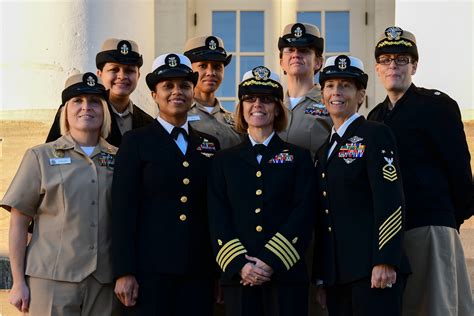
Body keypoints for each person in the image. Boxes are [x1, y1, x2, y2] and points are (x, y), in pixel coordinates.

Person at [368, 26, 473, 316]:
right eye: (386, 59)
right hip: (391, 237)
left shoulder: (437, 106)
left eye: (402, 59)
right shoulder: (375, 118)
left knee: (437, 308)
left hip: (430, 225)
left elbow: (460, 173)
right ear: (377, 68)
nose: (393, 66)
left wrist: (447, 220)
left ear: (414, 65)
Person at [111, 53, 220, 316]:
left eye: (184, 85)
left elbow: (216, 211)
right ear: (153, 94)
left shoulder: (209, 144)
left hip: (199, 271)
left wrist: (219, 271)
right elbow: (123, 210)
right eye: (167, 86)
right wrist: (124, 271)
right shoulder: (136, 141)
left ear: (193, 91)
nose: (176, 92)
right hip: (150, 272)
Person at [1, 72, 116, 315]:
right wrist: (18, 282)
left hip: (104, 281)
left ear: (104, 110)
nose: (86, 107)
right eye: (78, 101)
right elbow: (19, 224)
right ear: (65, 110)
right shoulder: (40, 156)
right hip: (51, 280)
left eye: (95, 101)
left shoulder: (119, 158)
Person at [208, 66, 315, 316]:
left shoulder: (298, 157)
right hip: (240, 277)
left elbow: (304, 213)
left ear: (277, 107)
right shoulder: (223, 161)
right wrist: (240, 265)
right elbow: (217, 217)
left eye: (266, 99)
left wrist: (271, 261)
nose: (257, 105)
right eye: (250, 99)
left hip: (286, 275)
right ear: (241, 108)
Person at [312, 55, 410, 315]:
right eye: (330, 86)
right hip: (338, 276)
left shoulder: (375, 134)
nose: (336, 92)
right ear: (322, 95)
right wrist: (323, 277)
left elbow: (390, 199)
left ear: (360, 95)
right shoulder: (324, 151)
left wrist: (386, 260)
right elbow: (325, 218)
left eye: (345, 86)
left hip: (372, 270)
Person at [46, 38, 154, 147]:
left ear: (138, 75)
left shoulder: (148, 123)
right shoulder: (81, 114)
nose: (122, 76)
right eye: (114, 70)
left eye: (129, 71)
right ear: (99, 74)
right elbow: (52, 153)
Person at [277, 22, 332, 159]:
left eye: (304, 50)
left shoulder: (331, 103)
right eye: (290, 50)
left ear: (318, 62)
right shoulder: (271, 106)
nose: (296, 55)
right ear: (282, 62)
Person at [184, 35, 242, 149]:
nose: (211, 72)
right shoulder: (179, 116)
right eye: (203, 66)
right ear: (190, 69)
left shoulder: (236, 121)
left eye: (217, 67)